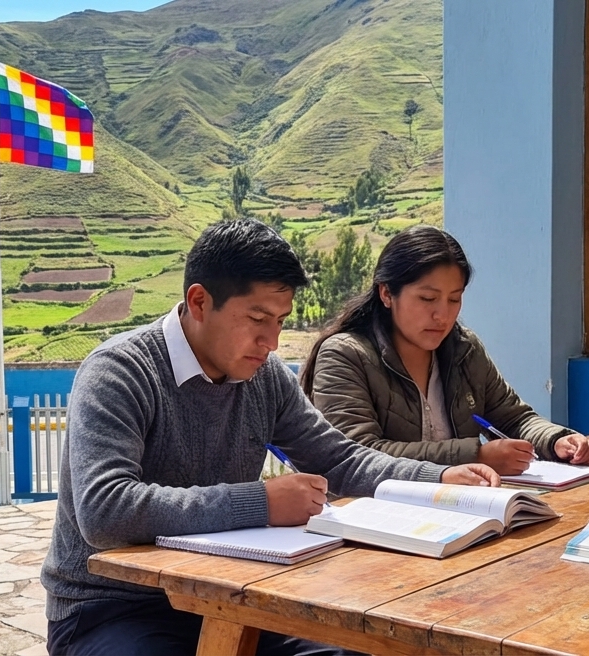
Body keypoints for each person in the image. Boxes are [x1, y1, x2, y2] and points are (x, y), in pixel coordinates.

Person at [42, 219, 500, 656]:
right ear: (199, 302)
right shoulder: (120, 372)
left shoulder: (264, 377)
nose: (272, 342)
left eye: (280, 321)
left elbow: (341, 460)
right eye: (257, 318)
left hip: (228, 595)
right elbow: (104, 511)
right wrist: (261, 502)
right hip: (113, 608)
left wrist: (436, 479)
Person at [299, 225, 589, 475]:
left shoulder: (464, 349)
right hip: (375, 519)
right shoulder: (344, 356)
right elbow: (359, 455)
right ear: (387, 293)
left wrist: (556, 440)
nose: (443, 315)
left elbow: (514, 418)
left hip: (458, 509)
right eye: (428, 299)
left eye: (454, 299)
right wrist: (475, 456)